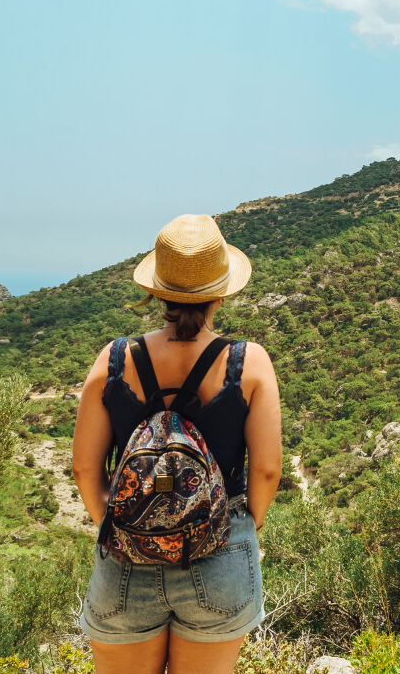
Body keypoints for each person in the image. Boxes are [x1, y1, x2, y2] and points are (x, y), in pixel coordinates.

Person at [72, 214, 282, 674]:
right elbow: (267, 471)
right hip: (219, 556)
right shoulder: (249, 362)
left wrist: (125, 530)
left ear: (156, 291)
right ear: (221, 293)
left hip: (125, 566)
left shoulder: (113, 359)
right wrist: (242, 528)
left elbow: (85, 470)